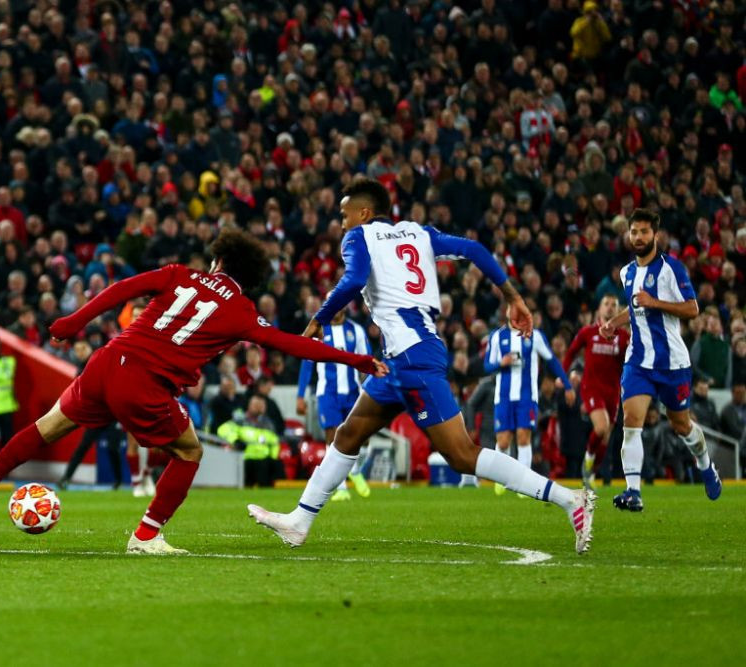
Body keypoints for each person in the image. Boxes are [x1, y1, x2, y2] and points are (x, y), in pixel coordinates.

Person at [0, 228, 385, 555]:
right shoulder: (241, 311)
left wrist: (74, 322)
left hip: (107, 360)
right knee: (189, 451)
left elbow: (123, 289)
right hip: (143, 382)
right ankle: (146, 534)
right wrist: (357, 360)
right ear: (250, 278)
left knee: (48, 424)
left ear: (217, 260)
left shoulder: (181, 274)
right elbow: (293, 344)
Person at [247, 179, 595, 555]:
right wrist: (512, 296)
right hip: (404, 357)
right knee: (348, 435)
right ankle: (300, 521)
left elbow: (354, 280)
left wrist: (319, 318)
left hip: (412, 358)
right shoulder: (418, 233)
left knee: (461, 455)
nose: (342, 223)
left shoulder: (359, 237)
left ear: (364, 213)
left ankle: (568, 499)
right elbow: (474, 249)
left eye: (345, 215)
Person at [599, 209, 722, 511]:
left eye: (644, 232)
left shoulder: (672, 269)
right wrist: (614, 322)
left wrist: (656, 302)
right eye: (634, 232)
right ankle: (633, 491)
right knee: (631, 421)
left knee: (681, 424)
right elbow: (635, 308)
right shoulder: (627, 273)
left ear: (655, 234)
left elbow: (693, 309)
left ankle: (706, 464)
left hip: (672, 364)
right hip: (638, 361)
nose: (638, 237)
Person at [484, 318, 574, 495]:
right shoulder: (496, 336)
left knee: (523, 437)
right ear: (508, 311)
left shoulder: (535, 336)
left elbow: (552, 360)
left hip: (527, 396)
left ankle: (523, 485)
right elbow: (487, 366)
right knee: (503, 440)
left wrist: (567, 384)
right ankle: (501, 479)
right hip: (503, 397)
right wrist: (501, 363)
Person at [296, 309, 372, 501]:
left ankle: (354, 470)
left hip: (353, 392)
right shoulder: (319, 330)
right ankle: (342, 488)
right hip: (327, 392)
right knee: (332, 435)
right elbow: (307, 363)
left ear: (344, 307)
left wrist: (371, 389)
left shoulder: (356, 330)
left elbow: (368, 361)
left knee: (362, 437)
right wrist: (300, 395)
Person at [562, 294, 630, 489]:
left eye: (614, 305)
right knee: (601, 428)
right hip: (591, 387)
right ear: (599, 310)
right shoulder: (588, 332)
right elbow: (571, 352)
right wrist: (564, 376)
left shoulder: (623, 337)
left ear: (619, 311)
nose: (609, 308)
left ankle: (590, 472)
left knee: (605, 439)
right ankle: (588, 460)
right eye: (606, 304)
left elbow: (629, 363)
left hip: (613, 391)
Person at [218, 394, 282, 487]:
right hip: (244, 460)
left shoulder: (268, 423)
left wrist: (273, 457)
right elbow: (223, 429)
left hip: (264, 462)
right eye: (256, 405)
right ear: (249, 406)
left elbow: (274, 442)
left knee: (274, 468)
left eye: (261, 406)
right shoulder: (240, 420)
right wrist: (235, 441)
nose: (259, 408)